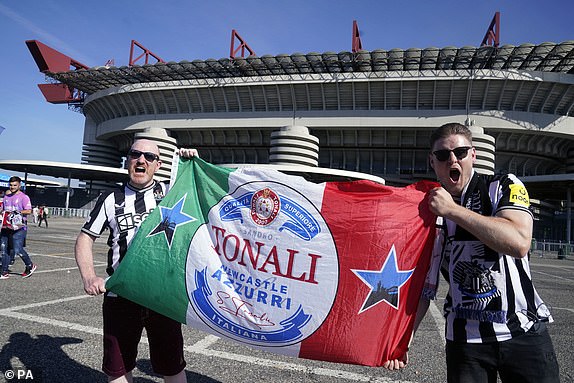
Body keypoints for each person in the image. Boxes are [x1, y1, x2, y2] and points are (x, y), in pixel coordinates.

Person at [384, 123, 559, 382]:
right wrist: (404, 338)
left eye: (461, 152)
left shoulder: (503, 185)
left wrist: (453, 211)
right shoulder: (427, 212)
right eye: (443, 155)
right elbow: (424, 285)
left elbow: (519, 241)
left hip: (522, 332)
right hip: (466, 342)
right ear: (433, 162)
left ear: (473, 155)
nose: (452, 159)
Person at [74, 139, 198, 383]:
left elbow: (199, 191)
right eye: (135, 154)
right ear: (128, 159)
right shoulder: (111, 198)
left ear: (158, 164)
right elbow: (85, 238)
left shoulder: (171, 192)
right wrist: (89, 276)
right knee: (118, 370)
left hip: (162, 297)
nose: (142, 160)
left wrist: (190, 161)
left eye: (149, 157)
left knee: (172, 367)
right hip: (121, 297)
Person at [0, 176, 37, 279]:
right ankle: (4, 271)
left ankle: (30, 265)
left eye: (15, 185)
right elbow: (2, 210)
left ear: (19, 185)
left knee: (18, 250)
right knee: (4, 249)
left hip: (19, 228)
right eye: (11, 185)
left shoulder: (24, 197)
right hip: (6, 227)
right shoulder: (7, 197)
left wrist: (17, 212)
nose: (12, 187)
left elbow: (29, 210)